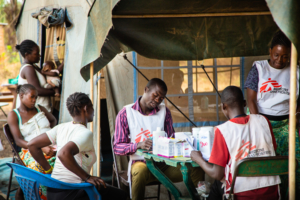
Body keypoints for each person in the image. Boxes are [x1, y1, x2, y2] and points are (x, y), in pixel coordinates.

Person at [114, 78, 204, 200]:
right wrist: (138, 145)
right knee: (139, 171)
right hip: (141, 164)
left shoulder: (164, 112)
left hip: (164, 166)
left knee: (196, 168)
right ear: (146, 90)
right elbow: (117, 147)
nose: (157, 100)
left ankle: (200, 197)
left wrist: (178, 145)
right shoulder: (126, 113)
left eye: (161, 98)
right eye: (155, 95)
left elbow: (171, 139)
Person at [27, 92, 127, 200]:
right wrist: (87, 177)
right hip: (71, 192)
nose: (93, 111)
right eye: (92, 107)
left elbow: (32, 144)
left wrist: (48, 170)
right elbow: (63, 153)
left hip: (53, 191)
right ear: (85, 108)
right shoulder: (85, 133)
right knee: (123, 196)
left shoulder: (61, 127)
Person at [191, 86, 280, 200]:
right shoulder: (263, 121)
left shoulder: (223, 130)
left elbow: (217, 174)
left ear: (223, 106)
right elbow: (272, 151)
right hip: (271, 191)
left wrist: (198, 159)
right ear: (244, 103)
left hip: (241, 194)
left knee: (218, 184)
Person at [245, 30, 300, 196]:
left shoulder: (296, 71)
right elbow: (251, 100)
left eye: (285, 56)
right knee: (266, 166)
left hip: (286, 125)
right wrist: (259, 124)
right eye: (276, 55)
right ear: (270, 51)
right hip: (262, 123)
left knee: (293, 164)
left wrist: (297, 114)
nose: (280, 60)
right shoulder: (259, 69)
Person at [7, 84, 57, 199]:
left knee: (67, 158)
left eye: (36, 97)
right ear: (21, 96)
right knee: (41, 167)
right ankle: (42, 196)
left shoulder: (40, 108)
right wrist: (39, 147)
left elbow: (53, 120)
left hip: (52, 145)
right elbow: (18, 141)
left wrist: (51, 136)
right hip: (30, 150)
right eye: (32, 97)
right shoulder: (14, 115)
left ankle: (64, 193)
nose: (34, 100)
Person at [15, 39, 57, 112]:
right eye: (36, 53)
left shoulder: (34, 66)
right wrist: (55, 92)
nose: (39, 55)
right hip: (34, 111)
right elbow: (37, 90)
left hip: (40, 108)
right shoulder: (28, 68)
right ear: (27, 54)